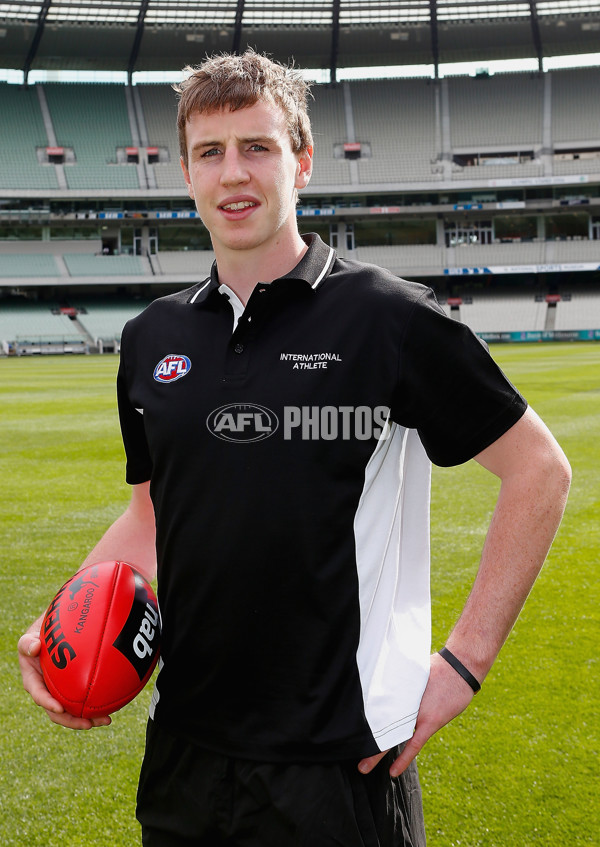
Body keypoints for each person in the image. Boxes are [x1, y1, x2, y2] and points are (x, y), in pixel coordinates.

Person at [18, 50, 571, 847]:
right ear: (185, 172)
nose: (232, 173)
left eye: (257, 147)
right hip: (186, 753)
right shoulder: (150, 340)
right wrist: (63, 618)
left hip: (339, 765)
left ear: (301, 161)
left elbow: (538, 471)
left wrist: (464, 661)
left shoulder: (388, 318)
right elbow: (150, 517)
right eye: (210, 152)